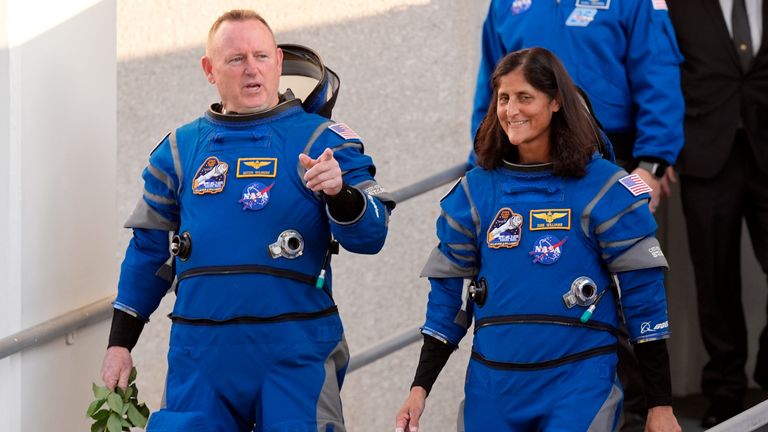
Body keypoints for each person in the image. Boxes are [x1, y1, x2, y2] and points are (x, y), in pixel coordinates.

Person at [99, 9, 394, 432]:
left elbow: (373, 234)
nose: (251, 69)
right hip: (200, 354)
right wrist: (120, 343)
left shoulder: (323, 140)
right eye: (236, 59)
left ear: (278, 60)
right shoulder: (179, 151)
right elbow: (148, 254)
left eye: (260, 56)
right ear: (209, 69)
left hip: (295, 350)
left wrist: (339, 194)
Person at [396, 47, 681, 432]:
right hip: (492, 388)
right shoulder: (474, 193)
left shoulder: (605, 188)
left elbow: (644, 301)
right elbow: (448, 300)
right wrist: (419, 389)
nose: (512, 110)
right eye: (504, 98)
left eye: (525, 97)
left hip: (579, 385)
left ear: (557, 101)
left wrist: (659, 406)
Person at [468, 3, 686, 429]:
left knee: (625, 295)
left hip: (612, 157)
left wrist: (652, 162)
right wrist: (483, 165)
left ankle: (640, 412)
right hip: (527, 169)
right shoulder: (505, 6)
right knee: (544, 286)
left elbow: (657, 69)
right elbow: (491, 89)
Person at [667, 0, 768, 427]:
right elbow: (660, 71)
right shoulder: (679, 5)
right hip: (705, 157)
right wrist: (660, 151)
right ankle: (724, 395)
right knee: (714, 281)